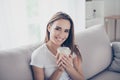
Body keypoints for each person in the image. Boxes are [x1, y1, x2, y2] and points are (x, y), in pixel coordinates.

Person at [30, 12, 84, 80]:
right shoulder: (38, 55)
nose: (61, 35)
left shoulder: (72, 49)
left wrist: (69, 68)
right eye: (58, 29)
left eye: (66, 31)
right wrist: (59, 70)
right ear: (49, 27)